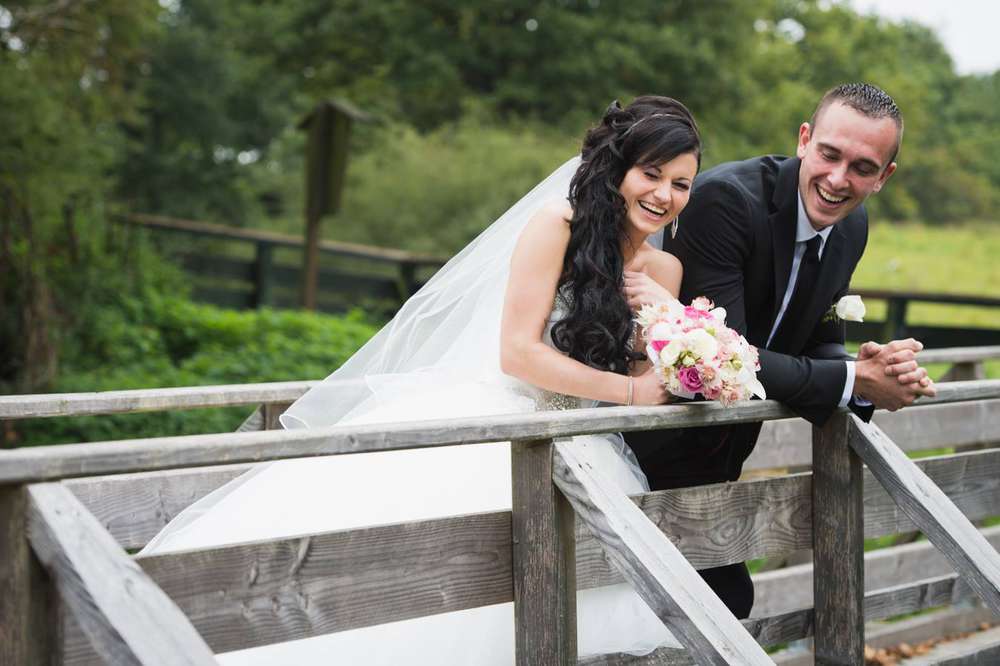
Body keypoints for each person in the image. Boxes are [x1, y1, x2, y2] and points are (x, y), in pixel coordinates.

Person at [141, 97, 706, 663]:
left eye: (681, 184)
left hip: (590, 454)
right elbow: (518, 354)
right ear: (618, 170)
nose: (663, 195)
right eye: (651, 174)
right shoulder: (556, 227)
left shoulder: (666, 270)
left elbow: (650, 373)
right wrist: (632, 392)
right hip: (506, 430)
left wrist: (684, 337)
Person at [623, 82, 937, 619]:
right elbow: (730, 359)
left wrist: (870, 367)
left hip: (721, 461)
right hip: (644, 448)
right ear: (804, 139)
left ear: (884, 177)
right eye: (830, 154)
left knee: (721, 612)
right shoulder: (726, 201)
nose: (839, 180)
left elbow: (819, 335)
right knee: (674, 617)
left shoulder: (851, 225)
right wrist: (855, 383)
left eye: (862, 167)